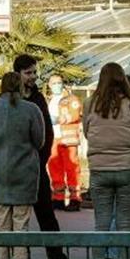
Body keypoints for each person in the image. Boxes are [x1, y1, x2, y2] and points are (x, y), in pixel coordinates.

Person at [14, 54, 87, 259]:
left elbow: (46, 130)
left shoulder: (37, 98)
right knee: (19, 221)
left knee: (48, 217)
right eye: (28, 73)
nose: (33, 77)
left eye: (35, 72)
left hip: (36, 167)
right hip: (17, 168)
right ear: (17, 74)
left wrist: (40, 158)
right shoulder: (10, 99)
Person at [83, 62, 130, 259]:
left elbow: (87, 132)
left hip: (99, 168)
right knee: (125, 224)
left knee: (101, 223)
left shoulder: (91, 104)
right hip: (129, 169)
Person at [0, 72, 45, 259]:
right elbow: (39, 141)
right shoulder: (31, 109)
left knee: (1, 223)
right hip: (25, 172)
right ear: (20, 86)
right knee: (21, 223)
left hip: (0, 170)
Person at [46, 73, 84, 211]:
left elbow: (75, 114)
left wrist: (58, 119)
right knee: (55, 168)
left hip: (68, 140)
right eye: (54, 83)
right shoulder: (49, 100)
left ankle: (75, 198)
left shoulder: (71, 99)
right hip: (53, 138)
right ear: (49, 86)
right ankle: (58, 198)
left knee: (72, 168)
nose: (57, 85)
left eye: (59, 82)